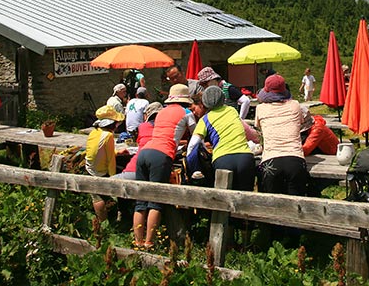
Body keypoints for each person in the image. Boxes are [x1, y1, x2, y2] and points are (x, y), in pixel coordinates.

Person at [133, 84, 196, 249]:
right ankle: (149, 243)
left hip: (145, 152)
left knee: (140, 201)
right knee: (155, 201)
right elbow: (196, 136)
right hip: (162, 155)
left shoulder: (161, 112)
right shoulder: (187, 113)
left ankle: (137, 242)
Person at [186, 86, 257, 191]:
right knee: (246, 199)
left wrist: (190, 162)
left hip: (223, 159)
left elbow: (193, 144)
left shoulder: (205, 120)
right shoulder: (232, 111)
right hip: (245, 157)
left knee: (223, 200)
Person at [254, 74, 309, 196]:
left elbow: (258, 127)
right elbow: (301, 122)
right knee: (297, 205)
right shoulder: (295, 105)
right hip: (295, 160)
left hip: (270, 160)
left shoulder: (260, 108)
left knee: (271, 206)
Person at [84, 105, 125, 221]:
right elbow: (110, 159)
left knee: (95, 195)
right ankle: (107, 220)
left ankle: (103, 222)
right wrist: (113, 178)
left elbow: (100, 150)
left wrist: (117, 152)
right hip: (101, 170)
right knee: (99, 198)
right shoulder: (108, 135)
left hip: (90, 167)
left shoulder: (94, 132)